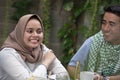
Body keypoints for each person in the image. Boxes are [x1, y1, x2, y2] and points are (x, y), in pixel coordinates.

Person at [0, 14, 70, 80]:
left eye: (39, 31)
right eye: (30, 31)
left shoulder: (42, 49)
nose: (35, 35)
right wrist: (45, 63)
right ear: (20, 33)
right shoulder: (6, 55)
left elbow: (64, 76)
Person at [68, 5, 120, 80]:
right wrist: (85, 77)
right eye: (104, 23)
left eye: (111, 24)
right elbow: (71, 67)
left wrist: (105, 79)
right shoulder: (93, 42)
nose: (105, 28)